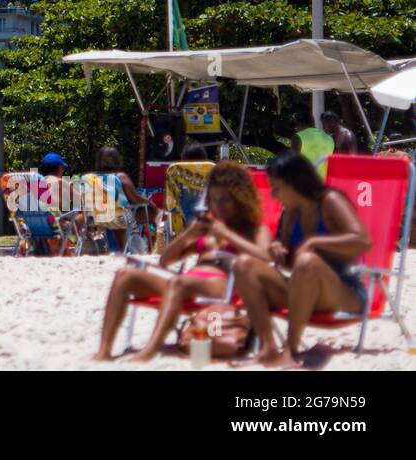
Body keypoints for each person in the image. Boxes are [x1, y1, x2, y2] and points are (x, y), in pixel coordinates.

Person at [94, 162, 271, 361]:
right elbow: (165, 261)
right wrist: (190, 234)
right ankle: (104, 350)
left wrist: (227, 235)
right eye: (214, 200)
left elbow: (266, 258)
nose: (218, 206)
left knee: (179, 283)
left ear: (241, 200)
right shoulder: (207, 228)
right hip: (184, 284)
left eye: (225, 201)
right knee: (124, 275)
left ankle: (151, 349)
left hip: (222, 286)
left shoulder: (254, 230)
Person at [230, 150, 370, 366]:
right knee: (243, 264)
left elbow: (362, 240)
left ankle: (290, 350)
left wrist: (315, 242)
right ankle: (268, 348)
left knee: (308, 262)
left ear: (295, 183)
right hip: (303, 290)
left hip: (344, 291)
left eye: (277, 188)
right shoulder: (291, 214)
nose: (274, 195)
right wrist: (277, 250)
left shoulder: (330, 200)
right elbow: (289, 261)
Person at [90, 146, 159, 250]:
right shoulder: (120, 177)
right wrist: (149, 203)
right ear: (118, 160)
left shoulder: (91, 178)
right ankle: (154, 246)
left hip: (98, 217)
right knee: (154, 211)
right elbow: (135, 200)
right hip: (120, 218)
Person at [289, 110, 334, 178]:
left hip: (304, 182)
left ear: (299, 123)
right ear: (313, 122)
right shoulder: (329, 138)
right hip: (323, 183)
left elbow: (293, 163)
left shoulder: (298, 137)